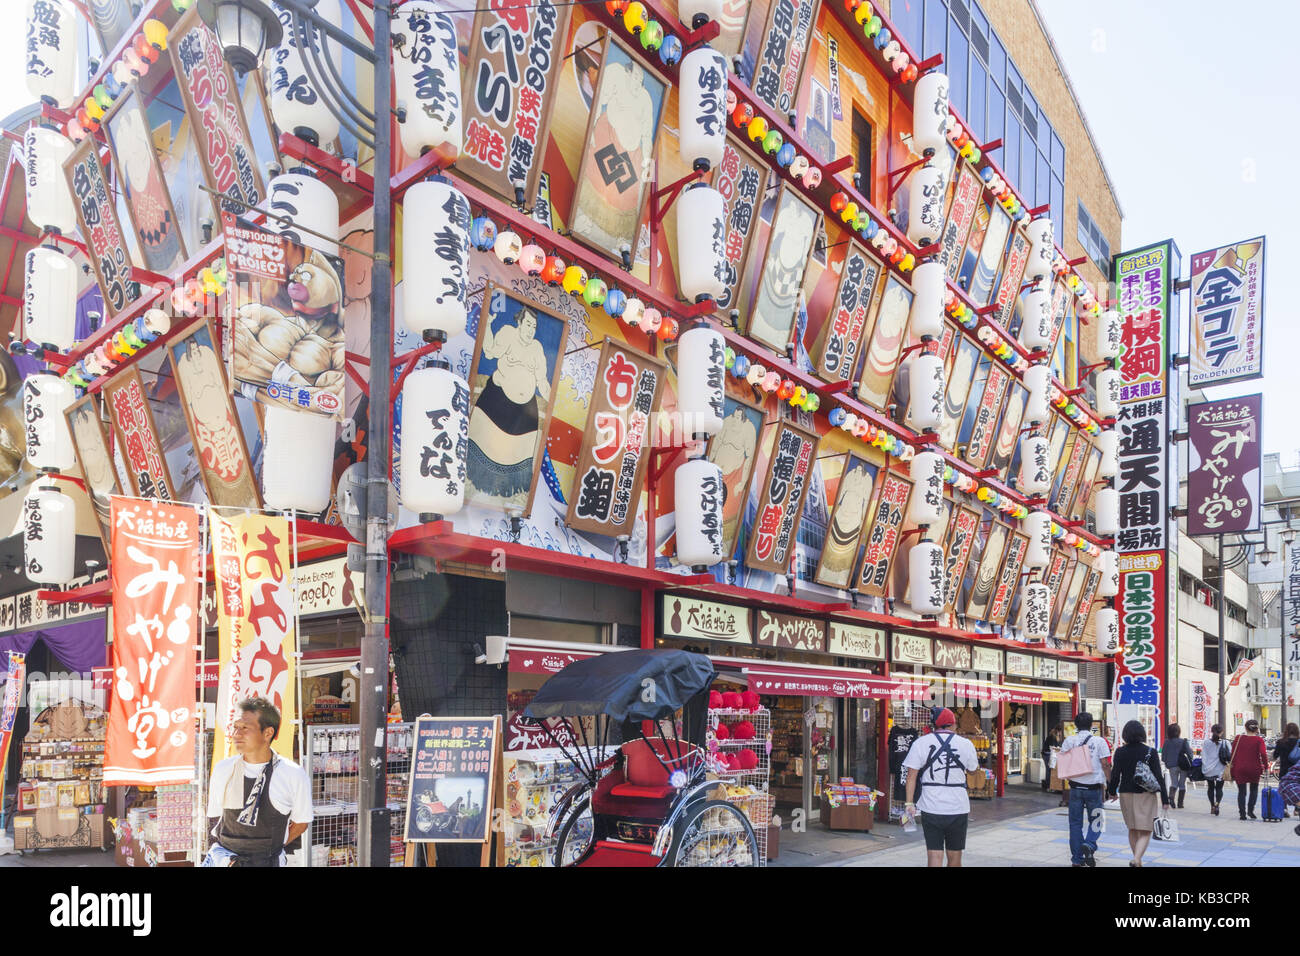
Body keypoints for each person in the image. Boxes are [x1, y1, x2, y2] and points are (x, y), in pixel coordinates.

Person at [204, 697, 312, 867]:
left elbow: (301, 822)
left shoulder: (292, 774)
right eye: (236, 727)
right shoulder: (223, 769)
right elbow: (215, 816)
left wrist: (271, 848)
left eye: (245, 728)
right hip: (226, 861)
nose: (237, 734)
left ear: (268, 733)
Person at [902, 707, 980, 867]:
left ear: (934, 725)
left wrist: (909, 803)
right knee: (955, 856)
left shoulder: (921, 743)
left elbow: (911, 776)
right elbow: (973, 772)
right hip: (958, 807)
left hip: (931, 806)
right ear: (953, 724)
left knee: (934, 856)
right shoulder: (966, 744)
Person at [1107, 720, 1171, 868]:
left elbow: (1115, 774)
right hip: (1146, 794)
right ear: (1142, 733)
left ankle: (1137, 860)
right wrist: (1165, 799)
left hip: (1125, 793)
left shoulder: (1120, 752)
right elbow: (1158, 777)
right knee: (1146, 829)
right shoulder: (1150, 751)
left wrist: (1111, 792)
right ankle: (1136, 859)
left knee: (1133, 828)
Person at [1059, 711, 1112, 867]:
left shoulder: (1069, 741)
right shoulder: (1100, 741)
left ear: (1076, 725)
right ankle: (1089, 844)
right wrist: (1111, 784)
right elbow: (1105, 765)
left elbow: (1064, 763)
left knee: (1075, 824)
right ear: (1091, 725)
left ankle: (1077, 859)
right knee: (1097, 821)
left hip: (1074, 788)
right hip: (1094, 789)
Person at [1228, 718, 1269, 820]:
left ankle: (1242, 814)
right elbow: (1263, 754)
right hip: (1254, 768)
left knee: (1241, 791)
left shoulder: (1238, 738)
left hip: (1239, 768)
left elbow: (1232, 753)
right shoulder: (1259, 740)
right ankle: (1251, 811)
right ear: (1257, 729)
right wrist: (1266, 766)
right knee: (1254, 789)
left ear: (1245, 728)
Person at [1199, 723, 1229, 815]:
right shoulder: (1225, 742)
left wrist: (1205, 765)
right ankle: (1217, 804)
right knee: (1219, 788)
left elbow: (1203, 755)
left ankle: (1212, 806)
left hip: (1208, 770)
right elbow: (1230, 755)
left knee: (1210, 788)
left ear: (1211, 731)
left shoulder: (1206, 742)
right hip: (1221, 770)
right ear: (1222, 732)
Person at [1161, 723, 1193, 809]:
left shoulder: (1167, 742)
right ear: (1179, 732)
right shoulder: (1183, 741)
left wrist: (1167, 763)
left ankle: (1171, 797)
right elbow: (1190, 754)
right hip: (1183, 766)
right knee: (1182, 784)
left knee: (1174, 783)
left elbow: (1163, 755)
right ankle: (1180, 803)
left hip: (1172, 766)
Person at [1041, 723, 1064, 793]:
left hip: (1052, 754)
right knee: (1049, 770)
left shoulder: (1057, 736)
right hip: (1047, 754)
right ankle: (1049, 786)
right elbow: (1052, 747)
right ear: (1059, 731)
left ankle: (1052, 786)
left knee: (1052, 770)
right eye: (1061, 732)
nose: (1061, 734)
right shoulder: (1052, 736)